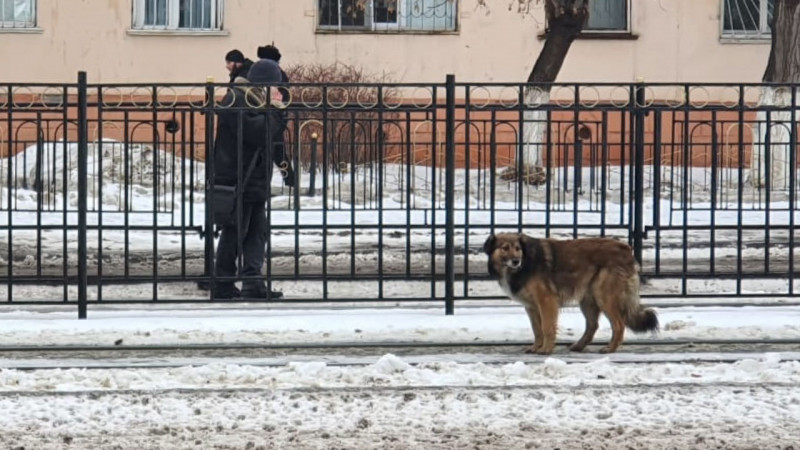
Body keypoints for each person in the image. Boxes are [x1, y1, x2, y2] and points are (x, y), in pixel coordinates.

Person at [211, 58, 286, 300]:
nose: (278, 90)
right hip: (238, 179)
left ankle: (253, 283)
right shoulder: (238, 99)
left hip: (253, 178)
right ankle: (222, 283)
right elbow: (259, 133)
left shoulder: (254, 100)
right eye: (275, 86)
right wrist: (275, 110)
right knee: (235, 231)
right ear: (264, 84)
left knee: (257, 232)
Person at [256, 44, 295, 188]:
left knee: (272, 152)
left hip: (272, 118)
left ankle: (282, 182)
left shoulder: (273, 74)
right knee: (278, 152)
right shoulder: (277, 72)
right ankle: (290, 182)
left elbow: (280, 97)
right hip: (276, 118)